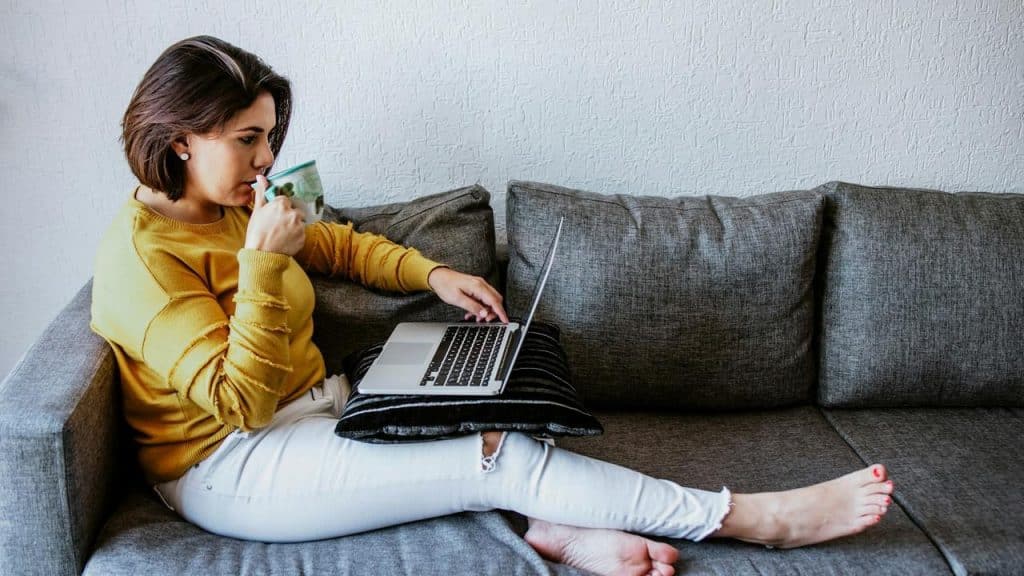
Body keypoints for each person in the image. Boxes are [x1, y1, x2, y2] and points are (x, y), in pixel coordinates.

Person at [90, 35, 895, 576]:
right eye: (246, 138)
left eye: (269, 136)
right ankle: (746, 517)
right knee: (493, 452)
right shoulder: (142, 261)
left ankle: (562, 530)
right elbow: (240, 399)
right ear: (182, 139)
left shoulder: (234, 202)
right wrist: (263, 265)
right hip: (232, 462)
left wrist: (431, 273)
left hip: (320, 405)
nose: (266, 161)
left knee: (502, 387)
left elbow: (332, 244)